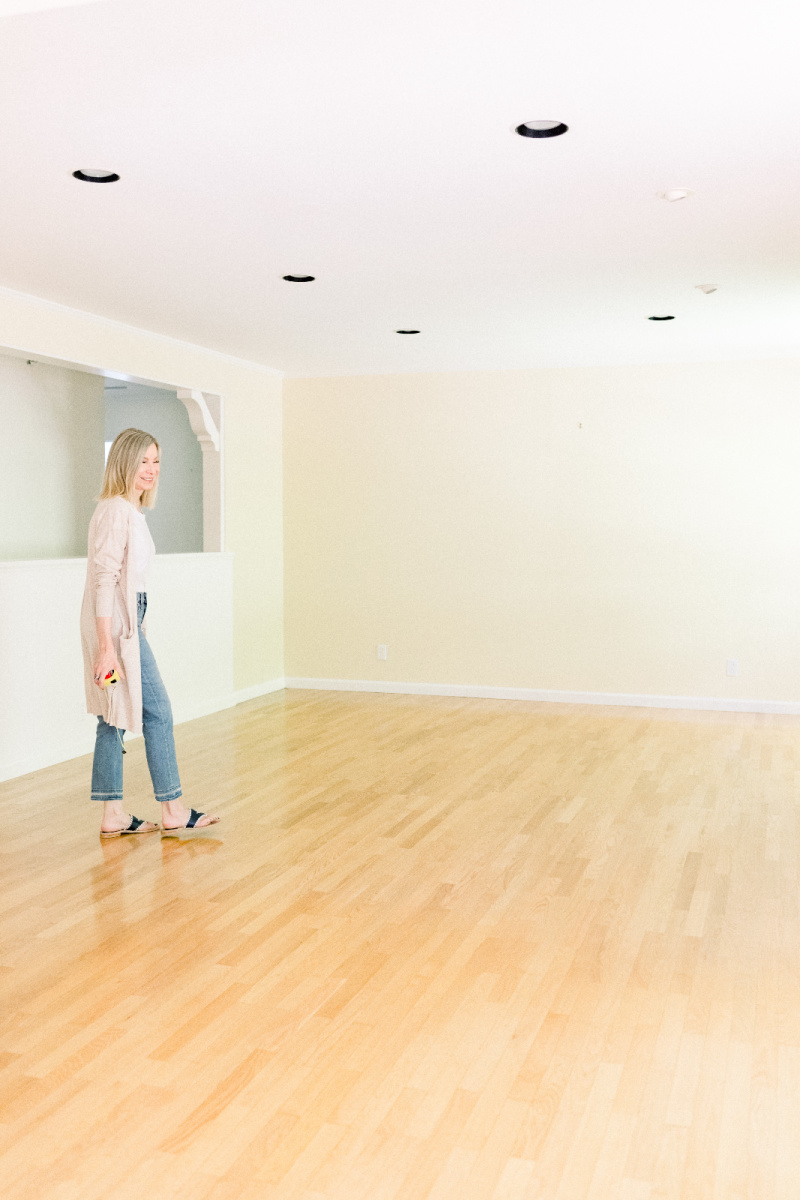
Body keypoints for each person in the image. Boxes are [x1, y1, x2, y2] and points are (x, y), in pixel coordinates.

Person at [80, 427, 220, 838]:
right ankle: (173, 807)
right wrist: (107, 647)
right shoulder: (114, 510)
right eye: (143, 461)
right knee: (155, 711)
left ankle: (113, 815)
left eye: (156, 461)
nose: (151, 470)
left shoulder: (130, 510)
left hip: (125, 625)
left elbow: (130, 582)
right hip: (114, 632)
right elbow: (103, 579)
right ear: (123, 462)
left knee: (113, 718)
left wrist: (135, 624)